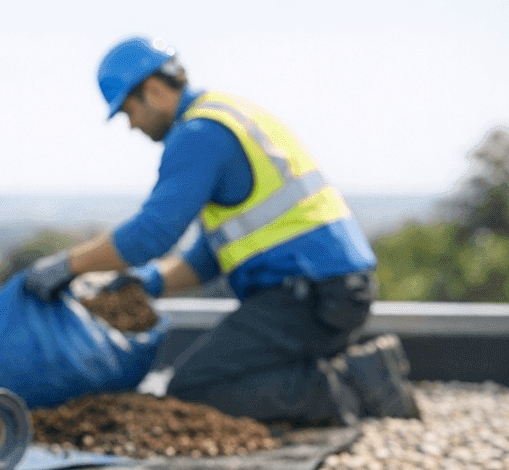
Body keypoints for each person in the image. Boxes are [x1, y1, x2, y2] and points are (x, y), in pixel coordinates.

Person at [24, 36, 419, 426]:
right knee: (207, 379)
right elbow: (210, 257)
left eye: (128, 111)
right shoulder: (226, 115)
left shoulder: (199, 135)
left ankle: (351, 386)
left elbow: (152, 233)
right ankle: (342, 371)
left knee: (198, 389)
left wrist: (68, 265)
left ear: (155, 90)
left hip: (310, 297)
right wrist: (146, 283)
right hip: (330, 291)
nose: (131, 125)